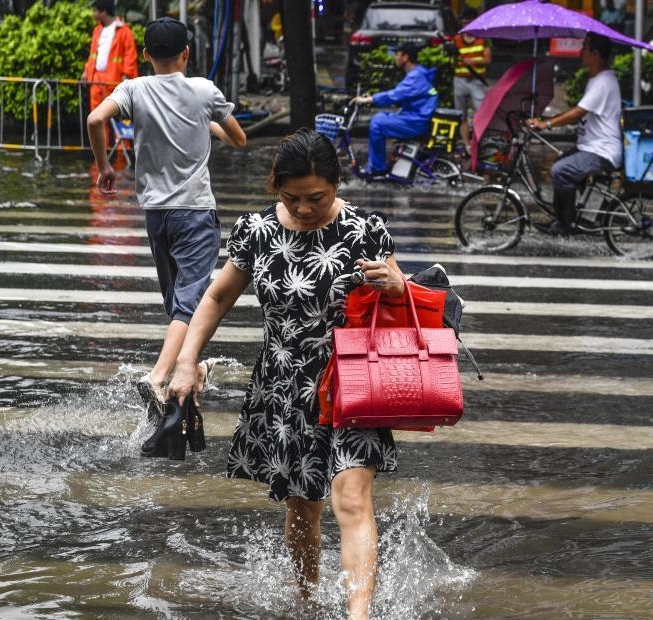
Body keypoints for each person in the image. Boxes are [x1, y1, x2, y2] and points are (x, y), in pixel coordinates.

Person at [167, 129, 406, 620]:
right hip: (285, 388)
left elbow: (399, 306)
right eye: (291, 197)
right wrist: (186, 361)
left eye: (316, 198)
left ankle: (357, 615)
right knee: (302, 509)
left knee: (352, 498)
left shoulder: (365, 230)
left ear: (337, 186)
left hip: (353, 382)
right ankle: (306, 602)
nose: (303, 209)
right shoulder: (256, 231)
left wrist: (399, 286)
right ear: (276, 187)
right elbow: (215, 297)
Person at [86, 17, 247, 417]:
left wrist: (105, 167)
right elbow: (238, 138)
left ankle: (191, 372)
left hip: (156, 215)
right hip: (194, 212)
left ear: (145, 56)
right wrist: (208, 123)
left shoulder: (133, 89)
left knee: (178, 303)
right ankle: (159, 376)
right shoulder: (202, 90)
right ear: (186, 53)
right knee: (189, 304)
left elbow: (94, 119)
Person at [526, 33, 622, 236]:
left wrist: (547, 123)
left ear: (595, 54)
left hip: (601, 151)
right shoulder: (597, 79)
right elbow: (581, 110)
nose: (580, 52)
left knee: (562, 171)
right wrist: (543, 118)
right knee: (560, 163)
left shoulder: (603, 82)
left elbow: (579, 111)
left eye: (584, 48)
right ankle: (573, 217)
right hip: (592, 147)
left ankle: (564, 224)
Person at [350, 42, 439, 178]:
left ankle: (377, 168)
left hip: (417, 121)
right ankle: (379, 165)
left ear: (405, 57)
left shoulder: (415, 77)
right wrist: (373, 98)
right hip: (416, 117)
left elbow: (395, 95)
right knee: (381, 117)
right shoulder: (417, 73)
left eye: (398, 54)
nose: (395, 57)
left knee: (377, 124)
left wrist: (371, 99)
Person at [81, 0, 139, 112]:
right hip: (96, 80)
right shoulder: (97, 30)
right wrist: (86, 71)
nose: (93, 14)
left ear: (104, 12)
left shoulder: (124, 30)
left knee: (116, 118)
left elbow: (130, 55)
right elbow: (93, 54)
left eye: (95, 11)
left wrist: (127, 76)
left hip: (115, 80)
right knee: (97, 116)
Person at [453, 8, 491, 151]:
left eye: (469, 22)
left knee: (480, 113)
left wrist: (472, 61)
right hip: (459, 80)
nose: (466, 25)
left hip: (476, 81)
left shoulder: (483, 39)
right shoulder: (457, 39)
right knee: (460, 114)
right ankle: (467, 144)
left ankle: (478, 142)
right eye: (464, 22)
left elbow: (487, 60)